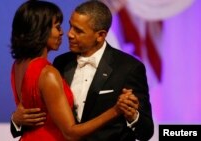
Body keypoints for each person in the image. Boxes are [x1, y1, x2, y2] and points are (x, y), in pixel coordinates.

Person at [11, 1, 154, 141]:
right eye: (70, 26)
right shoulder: (60, 63)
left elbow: (146, 131)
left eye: (78, 30)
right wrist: (16, 121)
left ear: (100, 35)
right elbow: (46, 119)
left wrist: (132, 116)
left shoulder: (128, 68)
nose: (69, 34)